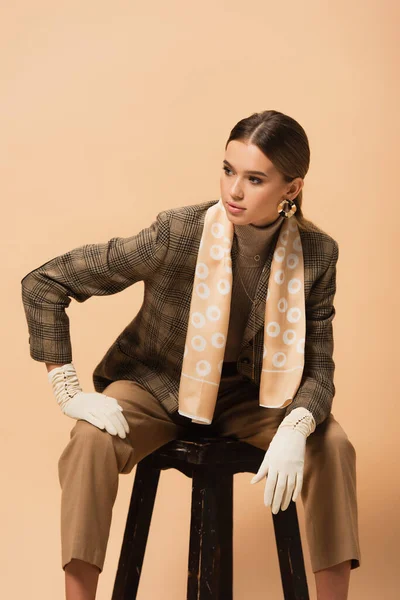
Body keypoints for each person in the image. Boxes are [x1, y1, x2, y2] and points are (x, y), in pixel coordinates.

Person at [21, 109, 361, 600]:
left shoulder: (317, 253)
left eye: (254, 178)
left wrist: (298, 423)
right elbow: (45, 282)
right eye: (228, 170)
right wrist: (67, 389)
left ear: (291, 188)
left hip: (253, 396)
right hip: (157, 386)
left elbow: (319, 366)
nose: (234, 191)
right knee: (89, 441)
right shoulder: (178, 233)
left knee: (331, 445)